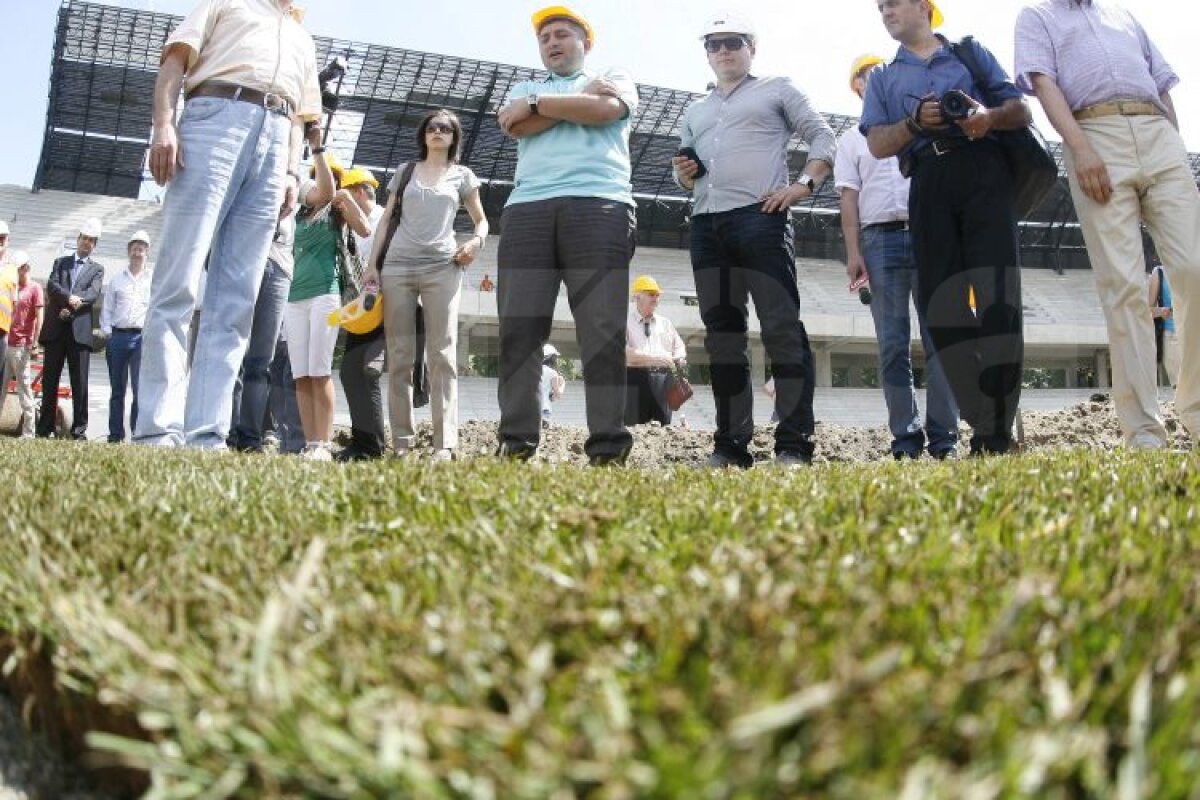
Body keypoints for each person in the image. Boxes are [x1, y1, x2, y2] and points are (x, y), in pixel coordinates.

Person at [136, 0, 321, 449]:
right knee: (178, 281)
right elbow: (174, 63)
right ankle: (158, 429)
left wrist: (293, 173)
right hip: (216, 115)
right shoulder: (226, 1)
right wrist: (164, 124)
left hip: (277, 141)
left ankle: (207, 433)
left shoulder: (303, 36)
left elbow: (300, 116)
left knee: (237, 299)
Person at [1016, 0, 1200, 449]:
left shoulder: (1123, 16)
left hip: (1157, 130)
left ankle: (1196, 413)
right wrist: (1078, 147)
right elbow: (1043, 83)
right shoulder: (1037, 16)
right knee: (1124, 287)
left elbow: (1161, 81)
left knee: (1195, 269)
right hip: (1095, 131)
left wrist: (1174, 142)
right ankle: (1143, 431)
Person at [861, 0, 1030, 456]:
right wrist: (915, 123)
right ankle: (986, 416)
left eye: (893, 3)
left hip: (985, 171)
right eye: (880, 8)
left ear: (923, 7)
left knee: (999, 302)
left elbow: (1021, 111)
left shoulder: (970, 54)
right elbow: (877, 144)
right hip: (928, 181)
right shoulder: (882, 78)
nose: (886, 12)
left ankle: (992, 438)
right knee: (942, 308)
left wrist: (986, 117)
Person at [673, 11, 835, 468]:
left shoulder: (777, 88)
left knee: (782, 329)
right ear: (706, 53)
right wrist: (684, 173)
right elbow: (684, 174)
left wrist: (803, 184)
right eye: (714, 44)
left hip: (761, 219)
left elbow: (823, 136)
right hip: (706, 224)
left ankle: (794, 444)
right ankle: (730, 446)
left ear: (752, 48)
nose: (723, 51)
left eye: (733, 42)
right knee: (723, 338)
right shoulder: (695, 111)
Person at [493, 5, 638, 465]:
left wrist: (539, 107)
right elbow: (516, 125)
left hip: (600, 205)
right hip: (527, 210)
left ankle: (608, 446)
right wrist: (561, 104)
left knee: (602, 329)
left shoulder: (614, 74)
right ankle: (516, 442)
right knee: (520, 329)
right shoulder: (525, 87)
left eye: (562, 34)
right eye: (545, 38)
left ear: (585, 43)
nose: (552, 43)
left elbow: (607, 110)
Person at [836, 53, 959, 459]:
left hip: (927, 234)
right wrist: (853, 253)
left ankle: (944, 438)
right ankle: (905, 439)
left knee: (939, 336)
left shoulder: (922, 124)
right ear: (856, 85)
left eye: (881, 72)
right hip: (879, 240)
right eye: (866, 75)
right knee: (892, 345)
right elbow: (848, 199)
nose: (874, 79)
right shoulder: (852, 139)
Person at [363, 109, 488, 462]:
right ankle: (401, 443)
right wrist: (373, 265)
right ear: (423, 134)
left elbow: (481, 221)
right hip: (397, 268)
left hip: (443, 268)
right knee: (400, 357)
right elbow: (386, 219)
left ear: (453, 137)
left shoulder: (463, 175)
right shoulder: (405, 171)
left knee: (442, 355)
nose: (437, 131)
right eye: (432, 127)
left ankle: (444, 445)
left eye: (445, 128)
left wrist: (476, 242)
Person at [285, 149, 371, 460]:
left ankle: (322, 443)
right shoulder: (298, 213)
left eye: (335, 177)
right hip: (294, 296)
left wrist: (344, 196)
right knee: (301, 375)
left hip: (325, 292)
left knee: (320, 372)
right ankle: (311, 444)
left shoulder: (337, 209)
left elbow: (365, 229)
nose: (328, 181)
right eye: (324, 177)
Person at [228, 202, 297, 452]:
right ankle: (228, 431)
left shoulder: (296, 183)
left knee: (261, 361)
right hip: (245, 258)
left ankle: (250, 438)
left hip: (280, 269)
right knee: (234, 353)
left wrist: (316, 159)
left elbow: (324, 192)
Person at [334, 166, 388, 461]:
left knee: (364, 372)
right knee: (350, 372)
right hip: (367, 308)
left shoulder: (382, 219)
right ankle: (364, 443)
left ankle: (371, 447)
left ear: (356, 192)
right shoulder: (357, 225)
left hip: (384, 305)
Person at [37, 218, 105, 439]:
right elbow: (53, 285)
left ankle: (79, 431)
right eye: (84, 238)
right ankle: (45, 428)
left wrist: (74, 306)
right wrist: (71, 298)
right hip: (56, 328)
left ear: (94, 245)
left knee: (80, 383)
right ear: (78, 239)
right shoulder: (61, 262)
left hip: (79, 333)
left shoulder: (97, 269)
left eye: (91, 240)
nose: (86, 243)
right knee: (50, 380)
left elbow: (93, 294)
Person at [99, 230, 153, 443]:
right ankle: (115, 435)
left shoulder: (152, 280)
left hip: (141, 339)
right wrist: (109, 334)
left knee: (140, 391)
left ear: (147, 252)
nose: (137, 251)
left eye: (141, 248)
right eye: (134, 247)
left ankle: (137, 433)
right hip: (119, 338)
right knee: (117, 390)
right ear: (128, 251)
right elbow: (107, 310)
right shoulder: (117, 280)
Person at [624, 274, 687, 425]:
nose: (656, 298)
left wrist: (678, 358)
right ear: (637, 297)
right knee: (634, 429)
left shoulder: (666, 323)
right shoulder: (624, 323)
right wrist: (658, 358)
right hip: (635, 380)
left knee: (664, 427)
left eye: (658, 295)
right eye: (651, 294)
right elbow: (624, 354)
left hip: (664, 380)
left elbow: (680, 347)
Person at [3, 252, 43, 438]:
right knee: (1, 388)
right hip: (5, 342)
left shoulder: (35, 288)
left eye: (18, 268)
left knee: (24, 388)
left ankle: (29, 432)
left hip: (22, 345)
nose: (16, 272)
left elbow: (39, 317)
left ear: (26, 267)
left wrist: (35, 343)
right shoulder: (11, 286)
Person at [1149, 263, 1180, 388]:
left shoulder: (1194, 266)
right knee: (1179, 386)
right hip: (1172, 336)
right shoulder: (1159, 273)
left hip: (1193, 334)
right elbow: (1147, 310)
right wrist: (1161, 311)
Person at [541, 343, 567, 426]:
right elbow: (558, 395)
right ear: (552, 357)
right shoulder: (552, 373)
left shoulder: (533, 370)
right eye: (555, 357)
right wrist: (562, 384)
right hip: (544, 409)